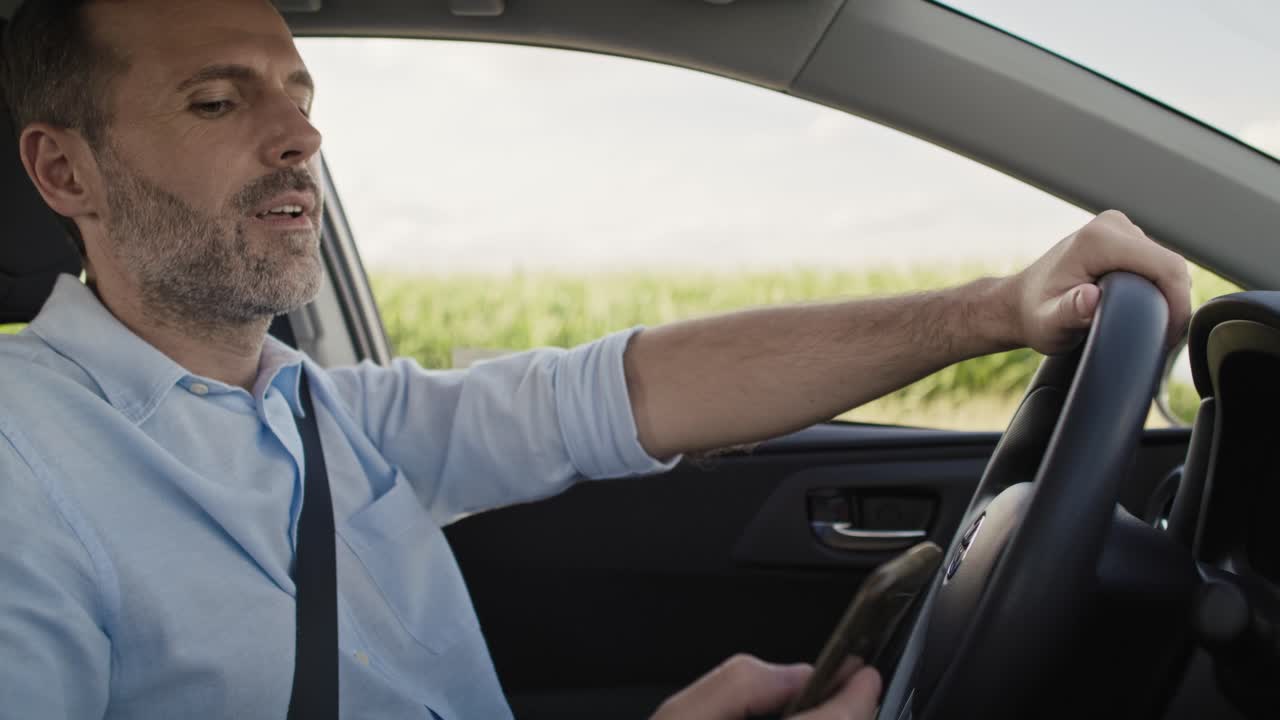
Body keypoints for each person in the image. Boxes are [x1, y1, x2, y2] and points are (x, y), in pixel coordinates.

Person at [0, 0, 1192, 718]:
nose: (300, 135)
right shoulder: (23, 470)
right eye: (217, 102)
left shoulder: (317, 412)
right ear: (66, 173)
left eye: (298, 97)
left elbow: (614, 394)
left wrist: (990, 310)